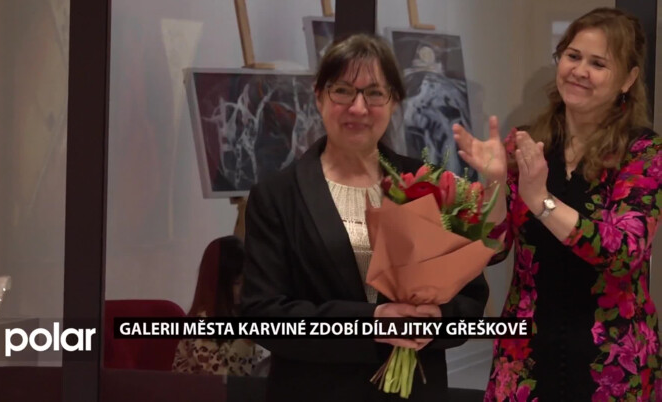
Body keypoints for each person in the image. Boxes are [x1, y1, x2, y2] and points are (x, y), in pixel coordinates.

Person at [241, 34, 490, 402]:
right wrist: (370, 322)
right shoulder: (277, 196)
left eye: (374, 93)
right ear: (319, 96)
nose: (358, 108)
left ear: (394, 101)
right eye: (343, 91)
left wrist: (437, 321)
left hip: (416, 391)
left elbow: (470, 301)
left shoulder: (430, 185)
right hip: (316, 391)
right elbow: (263, 315)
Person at [453, 7, 661, 401]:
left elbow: (623, 253)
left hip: (612, 362)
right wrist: (495, 181)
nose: (580, 71)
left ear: (628, 79)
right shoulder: (526, 141)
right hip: (524, 355)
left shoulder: (644, 152)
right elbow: (494, 249)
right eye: (573, 56)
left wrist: (541, 201)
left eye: (598, 63)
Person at [172, 236, 263, 376]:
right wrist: (246, 341)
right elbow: (221, 376)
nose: (244, 290)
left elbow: (253, 371)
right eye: (237, 283)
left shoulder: (237, 314)